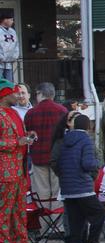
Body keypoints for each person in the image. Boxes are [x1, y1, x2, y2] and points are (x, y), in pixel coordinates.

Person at [0, 78, 41, 243]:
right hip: (4, 171)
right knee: (4, 209)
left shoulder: (14, 113)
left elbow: (20, 136)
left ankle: (20, 242)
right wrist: (18, 142)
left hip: (20, 169)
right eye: (14, 92)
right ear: (4, 94)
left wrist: (28, 136)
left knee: (19, 208)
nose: (18, 95)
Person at [56, 114, 104, 243]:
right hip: (82, 186)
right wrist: (97, 163)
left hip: (67, 187)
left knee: (76, 221)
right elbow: (87, 164)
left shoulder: (64, 140)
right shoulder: (85, 140)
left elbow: (58, 162)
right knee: (99, 213)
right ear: (88, 127)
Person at [24, 82, 67, 235]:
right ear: (52, 94)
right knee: (57, 192)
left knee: (41, 193)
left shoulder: (31, 113)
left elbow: (28, 133)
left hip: (38, 157)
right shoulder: (62, 111)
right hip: (57, 158)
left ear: (39, 94)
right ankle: (57, 225)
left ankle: (44, 227)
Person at [0, 12, 17, 82]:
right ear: (5, 20)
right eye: (11, 19)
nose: (12, 22)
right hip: (0, 63)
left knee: (8, 84)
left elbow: (16, 45)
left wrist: (15, 56)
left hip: (9, 64)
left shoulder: (12, 31)